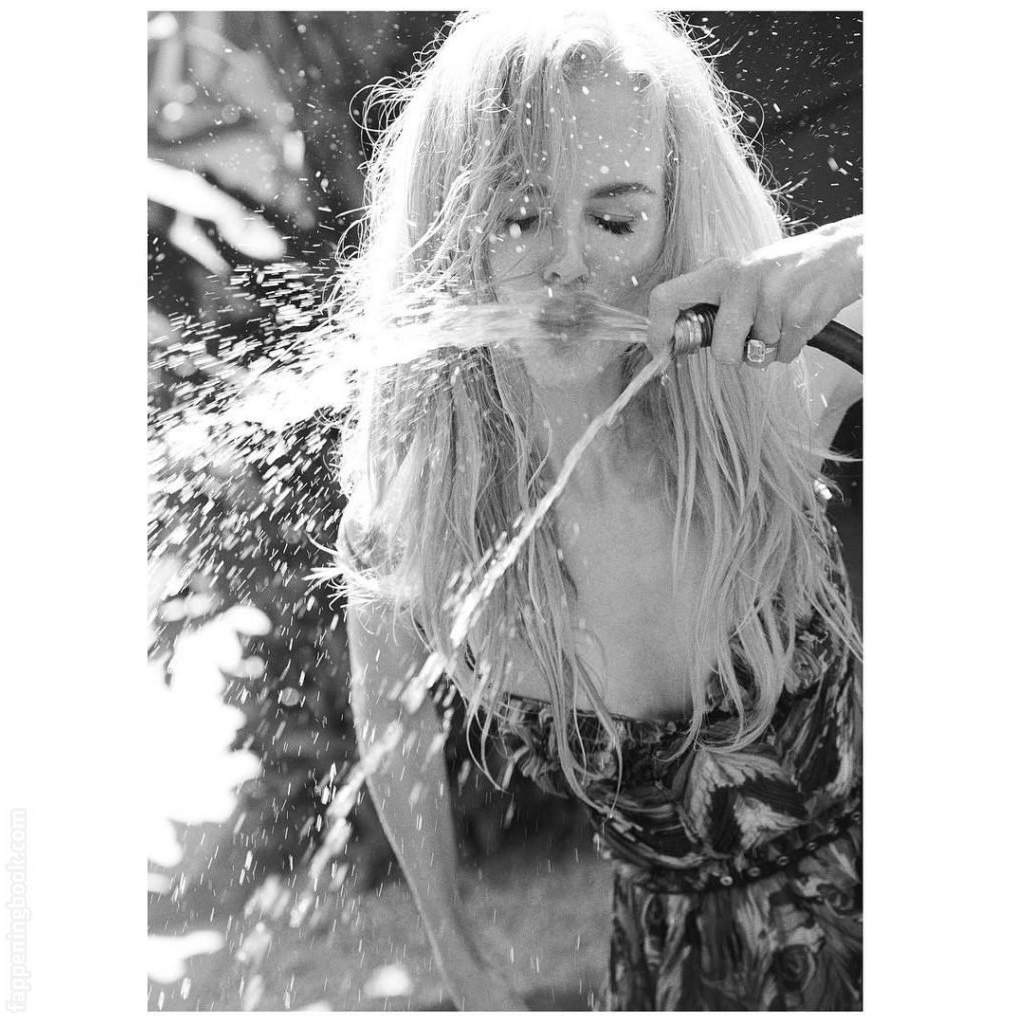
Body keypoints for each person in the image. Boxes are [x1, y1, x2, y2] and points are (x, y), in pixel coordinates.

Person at [330, 10, 863, 1011]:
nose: (567, 264)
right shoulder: (419, 511)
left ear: (673, 220)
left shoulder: (773, 389)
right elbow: (389, 707)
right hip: (669, 973)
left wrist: (857, 252)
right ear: (450, 226)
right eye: (520, 216)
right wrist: (454, 949)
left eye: (614, 221)